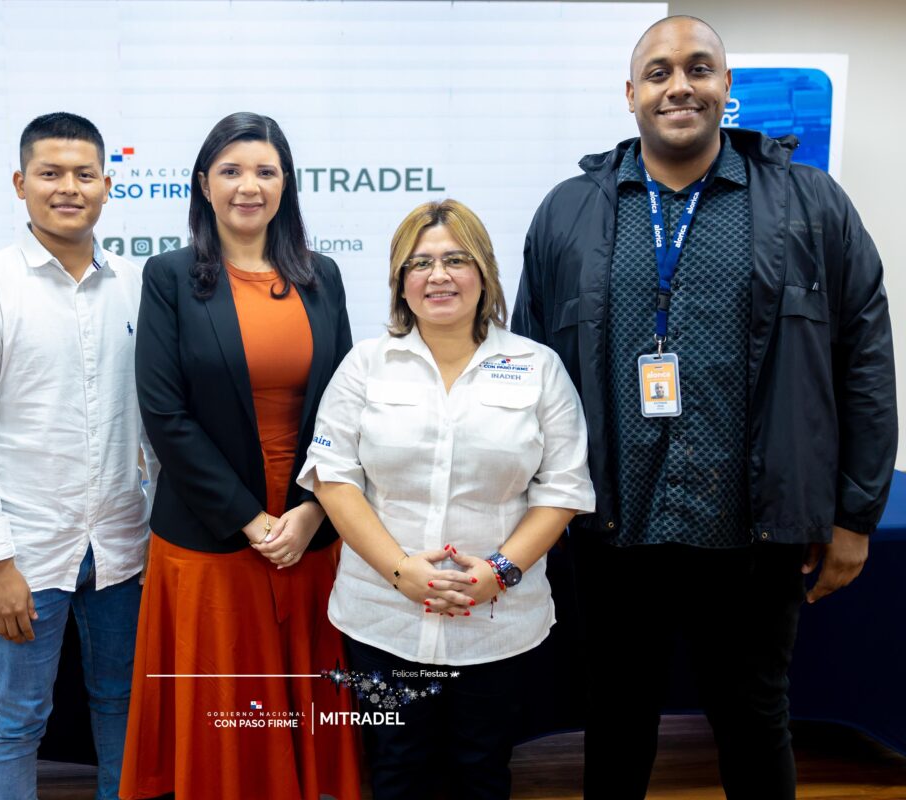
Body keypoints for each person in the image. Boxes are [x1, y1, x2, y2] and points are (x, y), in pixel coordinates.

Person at [512, 16, 896, 800]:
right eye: (658, 72)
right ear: (630, 94)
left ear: (726, 87)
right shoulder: (569, 212)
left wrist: (855, 516)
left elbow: (865, 361)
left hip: (751, 532)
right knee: (615, 721)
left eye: (698, 68)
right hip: (613, 527)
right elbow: (531, 375)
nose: (678, 85)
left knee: (755, 722)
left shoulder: (810, 205)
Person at [299, 199, 595, 799]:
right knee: (395, 768)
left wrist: (500, 572)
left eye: (456, 259)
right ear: (399, 283)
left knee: (481, 769)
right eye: (420, 263)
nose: (438, 275)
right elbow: (333, 478)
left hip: (496, 619)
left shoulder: (538, 367)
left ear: (483, 273)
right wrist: (402, 570)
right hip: (382, 617)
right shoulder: (365, 366)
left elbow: (563, 489)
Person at [120, 112, 362, 800]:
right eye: (230, 170)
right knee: (226, 734)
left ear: (286, 184)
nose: (247, 186)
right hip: (214, 541)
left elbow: (345, 409)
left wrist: (312, 513)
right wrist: (255, 522)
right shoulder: (169, 276)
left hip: (309, 541)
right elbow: (165, 416)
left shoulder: (325, 277)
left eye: (264, 170)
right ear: (203, 185)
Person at [0, 112, 153, 799]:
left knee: (123, 706)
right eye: (50, 173)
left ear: (107, 185)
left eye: (84, 174)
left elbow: (154, 422)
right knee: (16, 717)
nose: (68, 188)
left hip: (123, 545)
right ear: (20, 183)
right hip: (25, 551)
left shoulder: (139, 285)